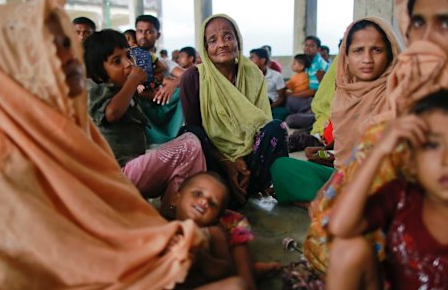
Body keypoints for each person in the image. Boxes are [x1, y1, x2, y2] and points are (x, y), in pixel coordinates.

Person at [0, 0, 221, 290]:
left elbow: (106, 207)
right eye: (49, 47)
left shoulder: (65, 129)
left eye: (68, 44)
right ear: (5, 65)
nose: (69, 59)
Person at [305, 0, 448, 276]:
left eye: (447, 22)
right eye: (418, 22)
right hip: (383, 197)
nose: (427, 38)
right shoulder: (411, 77)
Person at [327, 89, 448, 290]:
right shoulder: (401, 196)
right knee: (347, 249)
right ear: (411, 161)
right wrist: (379, 151)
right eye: (433, 145)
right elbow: (341, 226)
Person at [271, 17, 401, 205]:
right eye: (358, 51)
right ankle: (329, 204)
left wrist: (328, 189)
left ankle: (325, 205)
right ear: (345, 57)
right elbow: (341, 158)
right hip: (344, 176)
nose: (367, 59)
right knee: (282, 167)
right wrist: (324, 153)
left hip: (382, 183)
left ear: (390, 53)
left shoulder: (399, 93)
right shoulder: (343, 96)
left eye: (377, 50)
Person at [83, 29, 206, 218]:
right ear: (99, 75)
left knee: (189, 142)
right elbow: (112, 113)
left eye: (128, 57)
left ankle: (175, 207)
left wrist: (166, 84)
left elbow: (145, 96)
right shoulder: (100, 91)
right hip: (116, 176)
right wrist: (133, 81)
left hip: (132, 171)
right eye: (117, 61)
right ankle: (176, 211)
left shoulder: (126, 92)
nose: (127, 64)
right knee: (189, 144)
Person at [180, 14, 288, 205]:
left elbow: (261, 122)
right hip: (214, 160)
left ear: (238, 41)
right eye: (213, 40)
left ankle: (250, 184)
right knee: (190, 134)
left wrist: (241, 161)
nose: (221, 44)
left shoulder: (252, 73)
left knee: (276, 128)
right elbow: (194, 130)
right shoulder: (193, 77)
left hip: (250, 161)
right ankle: (226, 187)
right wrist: (228, 164)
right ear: (205, 49)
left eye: (228, 37)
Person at [134, 15, 185, 144]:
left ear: (158, 35)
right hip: (140, 106)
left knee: (182, 91)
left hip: (161, 104)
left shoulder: (164, 62)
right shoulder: (128, 60)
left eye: (149, 31)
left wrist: (173, 84)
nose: (143, 36)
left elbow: (189, 75)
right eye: (140, 31)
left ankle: (171, 134)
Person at [283, 36, 331, 129]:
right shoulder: (310, 62)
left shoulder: (318, 65)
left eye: (312, 46)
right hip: (311, 100)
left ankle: (312, 116)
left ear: (318, 49)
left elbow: (313, 91)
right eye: (306, 45)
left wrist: (292, 94)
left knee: (290, 107)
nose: (307, 48)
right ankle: (305, 115)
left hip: (316, 100)